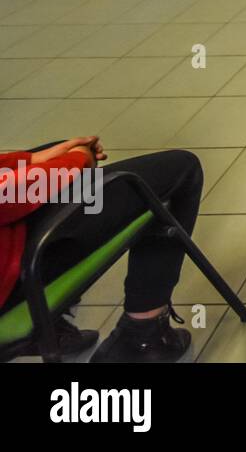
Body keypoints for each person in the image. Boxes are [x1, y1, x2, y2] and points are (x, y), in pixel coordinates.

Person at [1, 138, 202, 362]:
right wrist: (75, 161)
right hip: (15, 274)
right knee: (182, 168)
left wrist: (29, 160)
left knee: (58, 150)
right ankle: (143, 334)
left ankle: (47, 329)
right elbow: (8, 195)